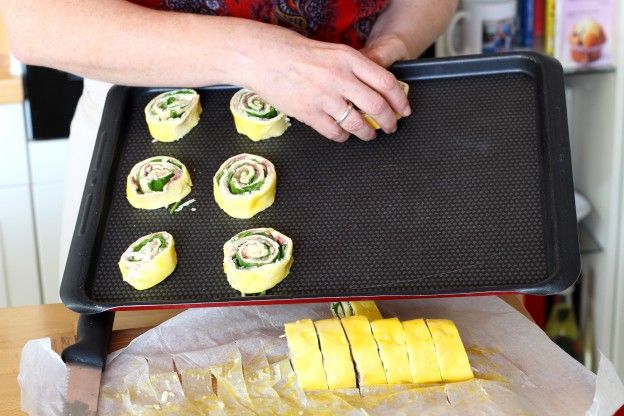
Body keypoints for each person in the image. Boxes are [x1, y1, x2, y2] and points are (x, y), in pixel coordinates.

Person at [1, 0, 457, 284]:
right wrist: (255, 55)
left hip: (354, 104)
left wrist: (390, 44)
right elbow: (34, 18)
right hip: (144, 110)